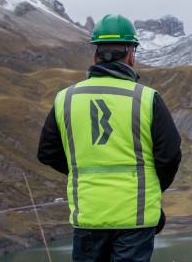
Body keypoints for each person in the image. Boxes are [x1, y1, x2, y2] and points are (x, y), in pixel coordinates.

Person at [38, 14, 182, 262]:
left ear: (96, 55)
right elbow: (169, 156)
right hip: (135, 218)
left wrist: (80, 171)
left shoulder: (65, 99)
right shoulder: (147, 99)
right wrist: (151, 192)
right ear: (131, 55)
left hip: (89, 216)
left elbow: (47, 153)